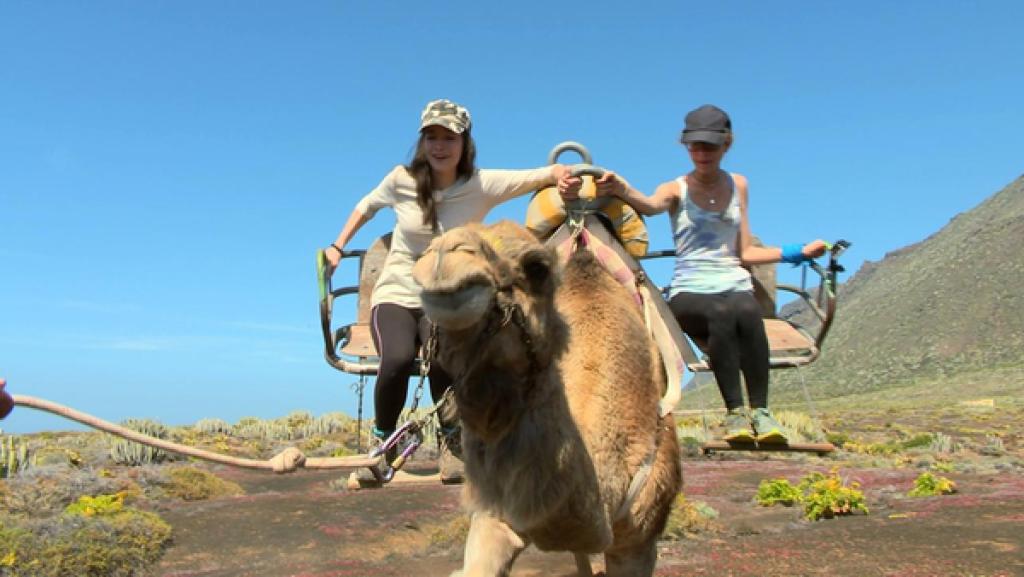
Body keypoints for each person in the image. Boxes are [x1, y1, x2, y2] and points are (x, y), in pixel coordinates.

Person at [325, 99, 572, 483]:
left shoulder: (481, 185)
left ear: (464, 144)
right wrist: (338, 246)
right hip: (397, 291)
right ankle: (383, 444)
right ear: (422, 142)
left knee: (444, 358)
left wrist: (559, 173)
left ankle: (452, 441)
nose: (439, 146)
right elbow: (366, 206)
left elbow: (533, 177)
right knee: (397, 359)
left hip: (446, 294)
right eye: (432, 137)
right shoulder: (401, 180)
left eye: (449, 138)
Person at [560, 104, 826, 443]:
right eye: (695, 146)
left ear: (726, 144)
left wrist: (797, 252)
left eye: (710, 146)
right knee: (721, 312)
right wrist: (621, 188)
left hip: (733, 282)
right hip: (690, 292)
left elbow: (746, 252)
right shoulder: (676, 189)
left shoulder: (739, 185)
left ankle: (761, 412)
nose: (702, 153)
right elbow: (649, 205)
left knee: (747, 310)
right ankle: (735, 414)